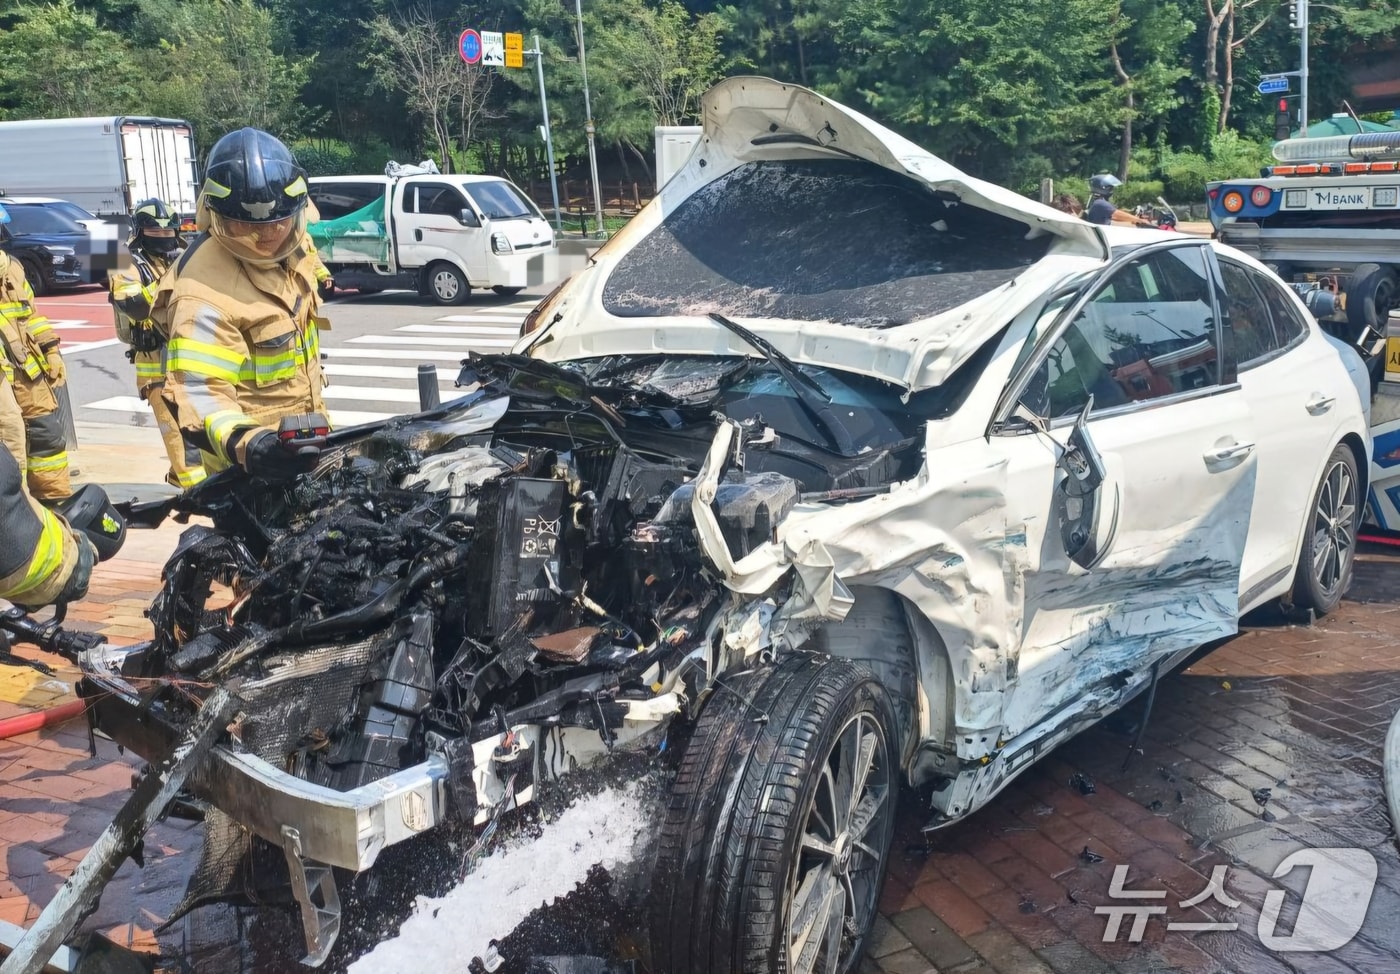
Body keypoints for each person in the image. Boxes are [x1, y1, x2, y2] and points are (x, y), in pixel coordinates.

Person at [161, 127, 330, 477]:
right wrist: (251, 442)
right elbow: (199, 394)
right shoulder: (202, 293)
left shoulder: (291, 250)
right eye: (246, 227)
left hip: (306, 442)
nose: (267, 235)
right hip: (249, 471)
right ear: (218, 217)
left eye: (279, 222)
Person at [109, 198, 207, 489]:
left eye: (169, 233)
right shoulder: (119, 258)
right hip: (155, 366)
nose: (164, 239)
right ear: (140, 232)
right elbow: (135, 305)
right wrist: (173, 286)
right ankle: (196, 492)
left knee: (197, 429)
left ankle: (184, 479)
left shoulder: (179, 257)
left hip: (188, 359)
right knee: (179, 434)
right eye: (156, 234)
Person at [0, 204, 72, 501]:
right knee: (10, 437)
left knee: (47, 432)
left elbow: (31, 315)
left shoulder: (11, 268)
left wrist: (51, 351)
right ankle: (12, 513)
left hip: (25, 365)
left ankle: (53, 505)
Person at [1084, 174, 1153, 228]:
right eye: (1110, 188)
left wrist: (1132, 217)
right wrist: (1139, 220)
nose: (1111, 191)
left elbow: (1114, 215)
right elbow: (1116, 214)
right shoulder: (1100, 203)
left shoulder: (1096, 201)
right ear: (1103, 188)